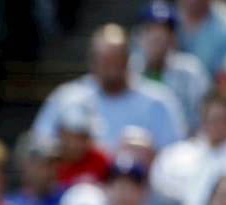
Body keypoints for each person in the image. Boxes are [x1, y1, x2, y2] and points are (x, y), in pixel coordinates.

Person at [32, 24, 188, 153]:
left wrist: (146, 152)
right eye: (105, 62)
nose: (111, 70)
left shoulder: (158, 100)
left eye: (116, 61)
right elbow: (39, 145)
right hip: (78, 184)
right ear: (92, 62)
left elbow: (176, 155)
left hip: (138, 185)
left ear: (128, 59)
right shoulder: (67, 97)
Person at [132, 0, 211, 133]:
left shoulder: (191, 71)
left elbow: (203, 117)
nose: (157, 35)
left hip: (182, 146)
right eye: (150, 29)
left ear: (173, 37)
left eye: (164, 30)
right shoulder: (129, 70)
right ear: (140, 36)